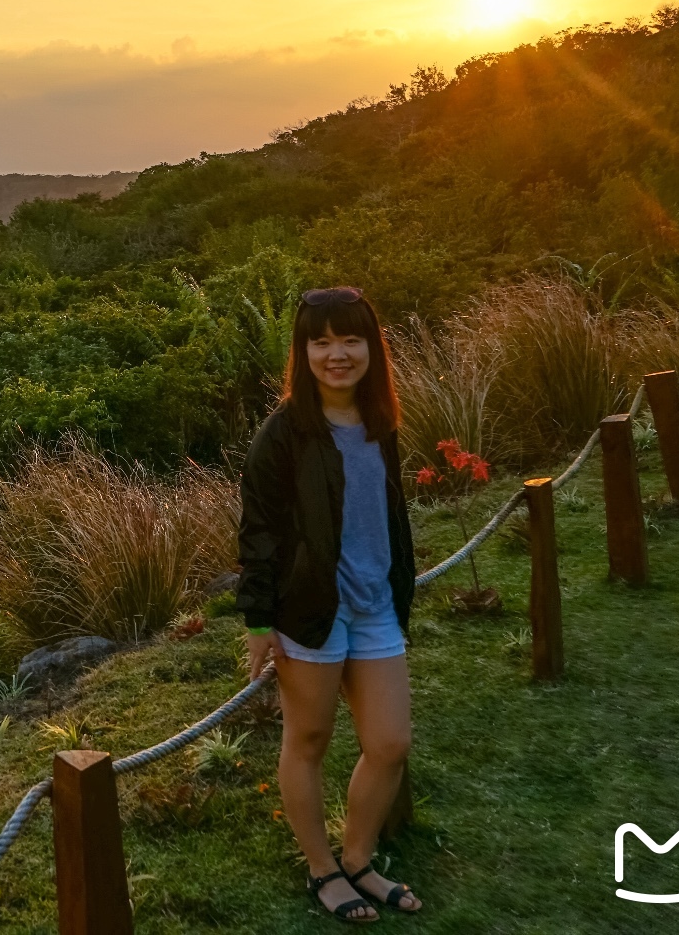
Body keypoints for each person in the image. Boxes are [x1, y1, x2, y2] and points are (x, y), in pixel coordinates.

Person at [237, 286, 423, 922]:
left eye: (350, 339)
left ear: (371, 346)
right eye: (321, 341)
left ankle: (359, 858)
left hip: (375, 605)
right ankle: (323, 869)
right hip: (309, 610)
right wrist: (259, 620)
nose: (336, 354)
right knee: (309, 738)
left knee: (390, 743)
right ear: (303, 351)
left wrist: (403, 586)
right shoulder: (283, 434)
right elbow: (258, 531)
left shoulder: (380, 421)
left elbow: (389, 514)